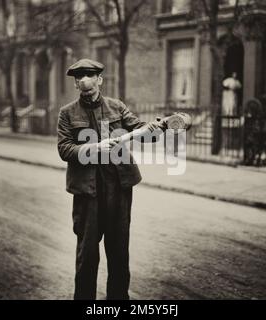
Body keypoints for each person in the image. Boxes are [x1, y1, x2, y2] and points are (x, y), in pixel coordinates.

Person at [57, 58, 163, 300]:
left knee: (118, 255)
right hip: (88, 192)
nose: (84, 81)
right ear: (76, 84)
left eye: (89, 77)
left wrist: (161, 126)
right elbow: (64, 149)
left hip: (119, 189)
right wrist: (96, 147)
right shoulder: (67, 113)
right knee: (87, 257)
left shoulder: (117, 107)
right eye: (79, 77)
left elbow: (141, 130)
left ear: (100, 80)